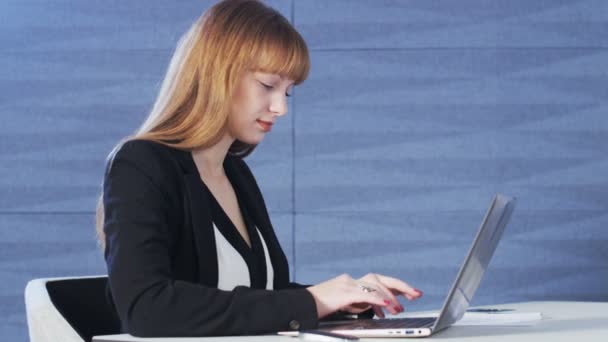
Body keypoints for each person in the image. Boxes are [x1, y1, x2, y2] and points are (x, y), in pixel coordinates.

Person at [96, 0, 423, 337]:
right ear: (216, 74)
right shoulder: (141, 164)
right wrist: (311, 300)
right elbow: (147, 308)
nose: (279, 107)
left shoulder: (235, 173)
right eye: (268, 86)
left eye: (287, 93)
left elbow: (261, 294)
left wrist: (341, 299)